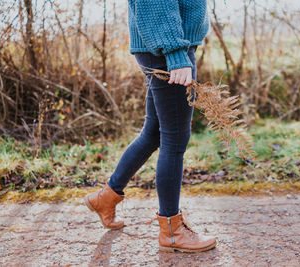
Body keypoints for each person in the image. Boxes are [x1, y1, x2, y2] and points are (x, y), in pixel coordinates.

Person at [83, 0, 217, 253]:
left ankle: (106, 198)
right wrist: (175, 53)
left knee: (154, 132)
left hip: (167, 45)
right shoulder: (172, 50)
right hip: (168, 48)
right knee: (175, 139)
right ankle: (171, 230)